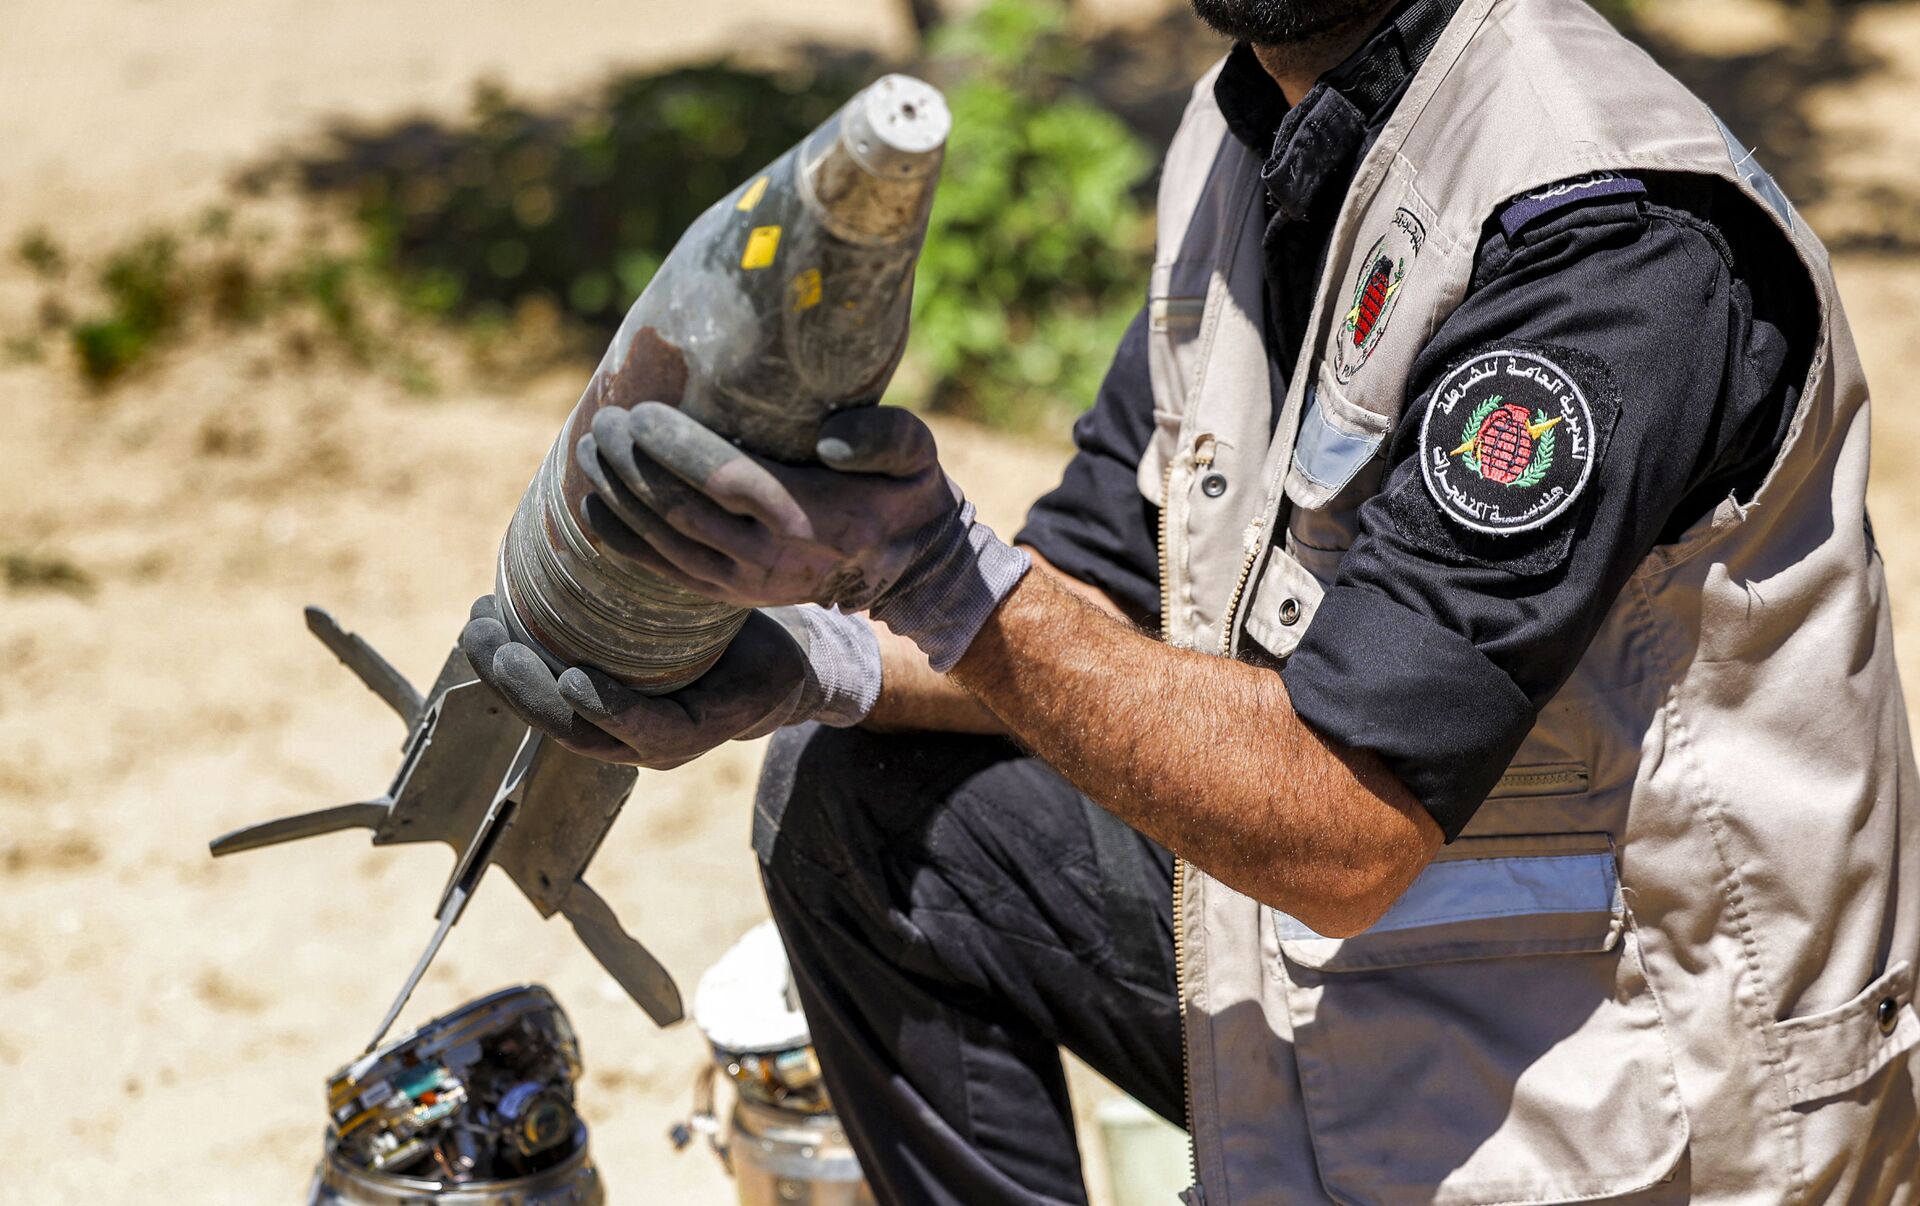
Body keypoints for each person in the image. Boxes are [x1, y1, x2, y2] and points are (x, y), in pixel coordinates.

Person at [459, 0, 1920, 1201]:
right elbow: (1097, 596)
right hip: (1384, 997)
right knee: (866, 802)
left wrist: (927, 567)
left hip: (1643, 1096)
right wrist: (801, 660)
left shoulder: (1603, 232)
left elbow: (1346, 822)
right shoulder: (1246, 143)